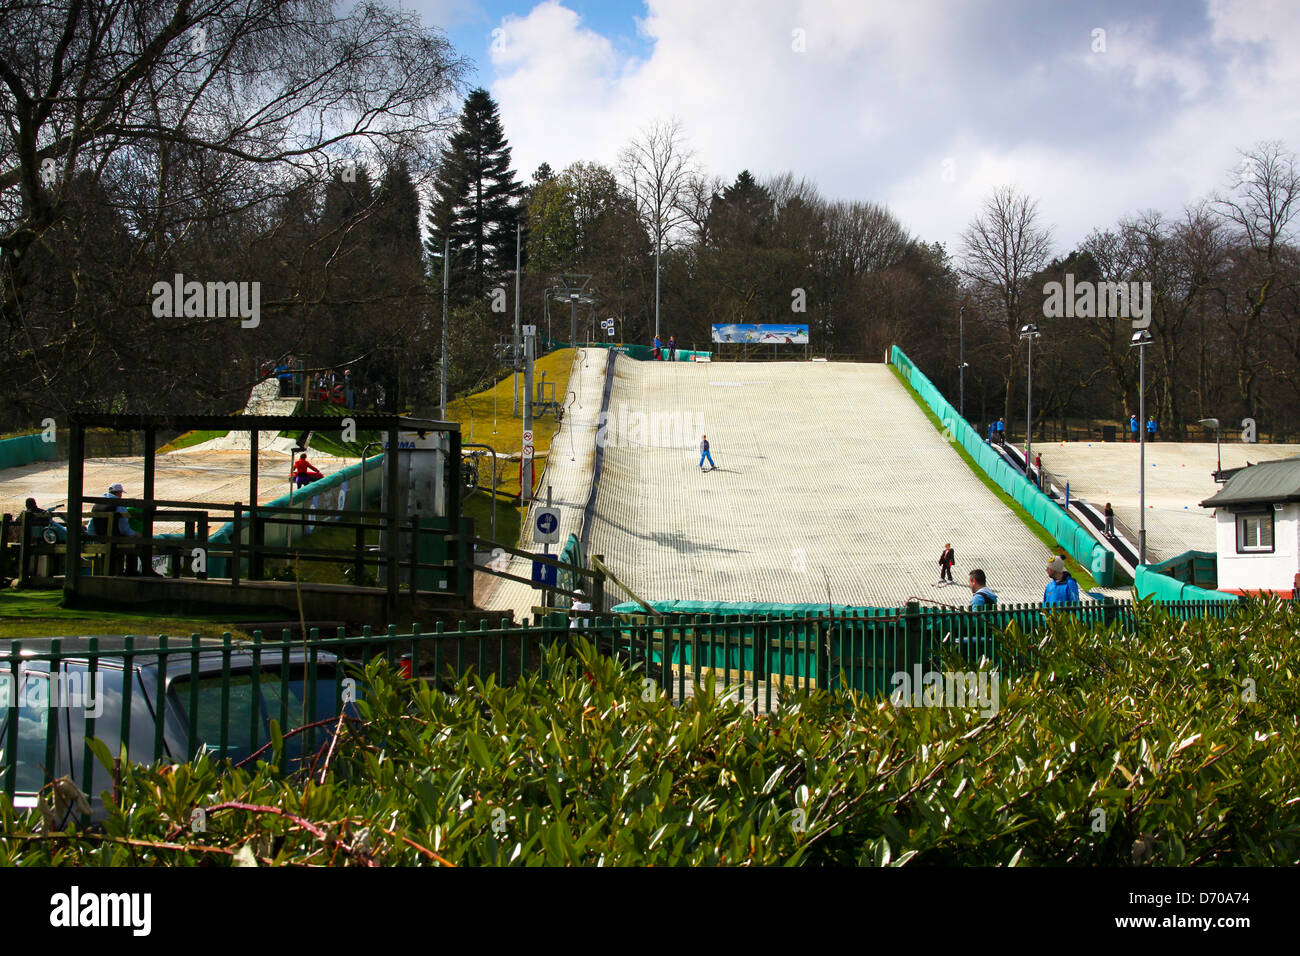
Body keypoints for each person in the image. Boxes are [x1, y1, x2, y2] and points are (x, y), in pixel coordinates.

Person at [90, 483, 143, 575]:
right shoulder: (119, 505)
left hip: (101, 539)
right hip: (115, 539)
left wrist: (94, 538)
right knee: (136, 542)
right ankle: (131, 571)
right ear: (119, 493)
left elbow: (91, 526)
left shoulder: (97, 504)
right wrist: (134, 534)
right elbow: (124, 528)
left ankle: (104, 572)